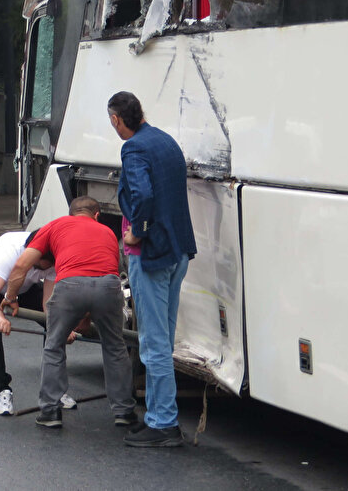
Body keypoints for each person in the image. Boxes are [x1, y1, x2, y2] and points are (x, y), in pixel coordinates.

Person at [109, 91, 197, 448]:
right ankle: (163, 415)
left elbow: (142, 196)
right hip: (179, 251)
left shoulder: (133, 148)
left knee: (154, 343)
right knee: (165, 339)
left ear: (117, 119)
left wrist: (137, 230)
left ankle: (163, 422)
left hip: (152, 255)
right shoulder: (165, 140)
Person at [3, 197, 136, 430]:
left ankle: (50, 411)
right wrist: (85, 317)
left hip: (70, 286)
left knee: (54, 345)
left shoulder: (55, 225)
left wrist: (11, 297)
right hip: (108, 286)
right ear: (97, 215)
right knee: (115, 346)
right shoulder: (106, 232)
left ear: (71, 213)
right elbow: (99, 276)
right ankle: (124, 411)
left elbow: (21, 265)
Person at [0, 230, 76, 416]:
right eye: (39, 266)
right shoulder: (11, 251)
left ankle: (54, 388)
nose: (42, 270)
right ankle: (2, 389)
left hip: (21, 287)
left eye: (46, 268)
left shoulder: (55, 257)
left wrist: (61, 327)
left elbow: (48, 306)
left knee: (56, 325)